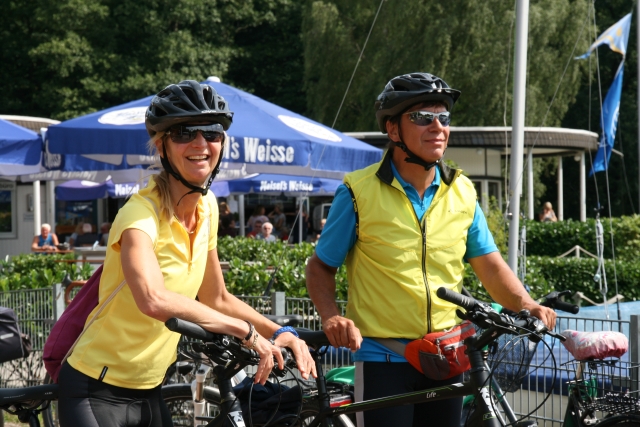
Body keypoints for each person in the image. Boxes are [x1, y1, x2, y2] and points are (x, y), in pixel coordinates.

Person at [57, 80, 315, 426]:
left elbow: (216, 297)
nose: (200, 143)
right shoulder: (139, 214)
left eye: (211, 132)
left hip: (150, 388)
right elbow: (152, 299)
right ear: (161, 147)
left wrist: (279, 331)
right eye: (183, 133)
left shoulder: (208, 207)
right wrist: (245, 332)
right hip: (95, 388)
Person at [305, 72, 556, 427]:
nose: (437, 126)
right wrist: (331, 316)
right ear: (393, 131)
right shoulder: (358, 192)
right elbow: (320, 267)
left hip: (446, 357)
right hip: (383, 361)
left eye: (444, 117)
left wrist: (527, 303)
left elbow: (490, 266)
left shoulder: (462, 191)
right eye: (423, 117)